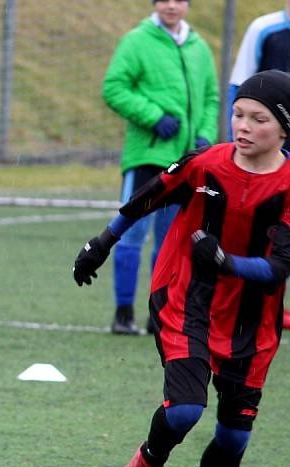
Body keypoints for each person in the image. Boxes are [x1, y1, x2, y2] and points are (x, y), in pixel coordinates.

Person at [73, 69, 290, 467]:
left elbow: (277, 269)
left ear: (284, 130)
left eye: (259, 118)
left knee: (234, 442)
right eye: (238, 114)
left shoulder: (289, 186)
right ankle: (146, 460)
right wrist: (101, 242)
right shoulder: (206, 164)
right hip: (185, 302)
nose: (244, 125)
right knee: (185, 410)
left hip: (252, 327)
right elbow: (145, 199)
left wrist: (224, 260)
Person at [102, 0, 218, 334]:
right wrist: (153, 117)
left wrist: (205, 135)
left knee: (171, 238)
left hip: (185, 162)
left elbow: (210, 97)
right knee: (132, 232)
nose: (172, 5)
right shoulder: (137, 40)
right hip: (147, 156)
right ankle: (123, 312)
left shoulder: (199, 47)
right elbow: (114, 87)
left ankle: (159, 312)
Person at [227, 1, 290, 328]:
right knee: (261, 229)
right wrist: (233, 145)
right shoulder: (264, 29)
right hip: (266, 150)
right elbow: (239, 87)